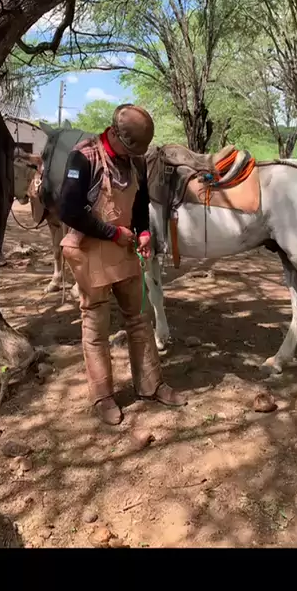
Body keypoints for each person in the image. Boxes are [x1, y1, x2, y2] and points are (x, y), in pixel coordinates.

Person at [59, 103, 186, 426]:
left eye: (136, 152)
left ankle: (151, 384)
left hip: (125, 250)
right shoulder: (83, 157)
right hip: (90, 252)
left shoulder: (136, 161)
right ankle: (103, 396)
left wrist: (143, 232)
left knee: (140, 318)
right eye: (129, 149)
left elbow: (140, 203)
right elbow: (68, 209)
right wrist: (112, 232)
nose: (132, 155)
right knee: (96, 327)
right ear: (114, 133)